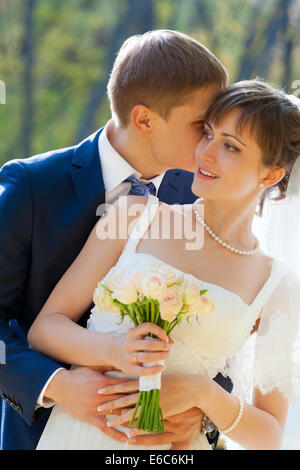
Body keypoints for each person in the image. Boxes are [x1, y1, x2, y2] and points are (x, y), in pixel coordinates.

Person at [28, 79, 300, 450]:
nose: (205, 153)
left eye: (231, 147)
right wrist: (113, 350)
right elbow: (45, 329)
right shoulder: (134, 215)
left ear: (269, 175)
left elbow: (269, 436)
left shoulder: (275, 282)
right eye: (207, 134)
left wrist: (204, 395)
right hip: (80, 436)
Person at [0, 29, 231, 450]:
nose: (212, 140)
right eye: (202, 125)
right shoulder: (31, 187)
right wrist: (54, 384)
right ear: (144, 119)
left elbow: (225, 326)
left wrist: (205, 414)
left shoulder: (207, 198)